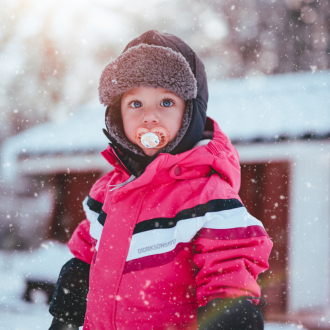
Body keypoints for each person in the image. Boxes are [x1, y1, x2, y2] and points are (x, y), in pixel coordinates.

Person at [48, 30, 273, 330]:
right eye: (135, 104)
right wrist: (69, 305)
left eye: (166, 102)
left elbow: (228, 269)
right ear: (116, 114)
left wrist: (229, 312)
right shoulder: (108, 191)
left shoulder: (209, 196)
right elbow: (88, 254)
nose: (149, 117)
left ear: (190, 113)